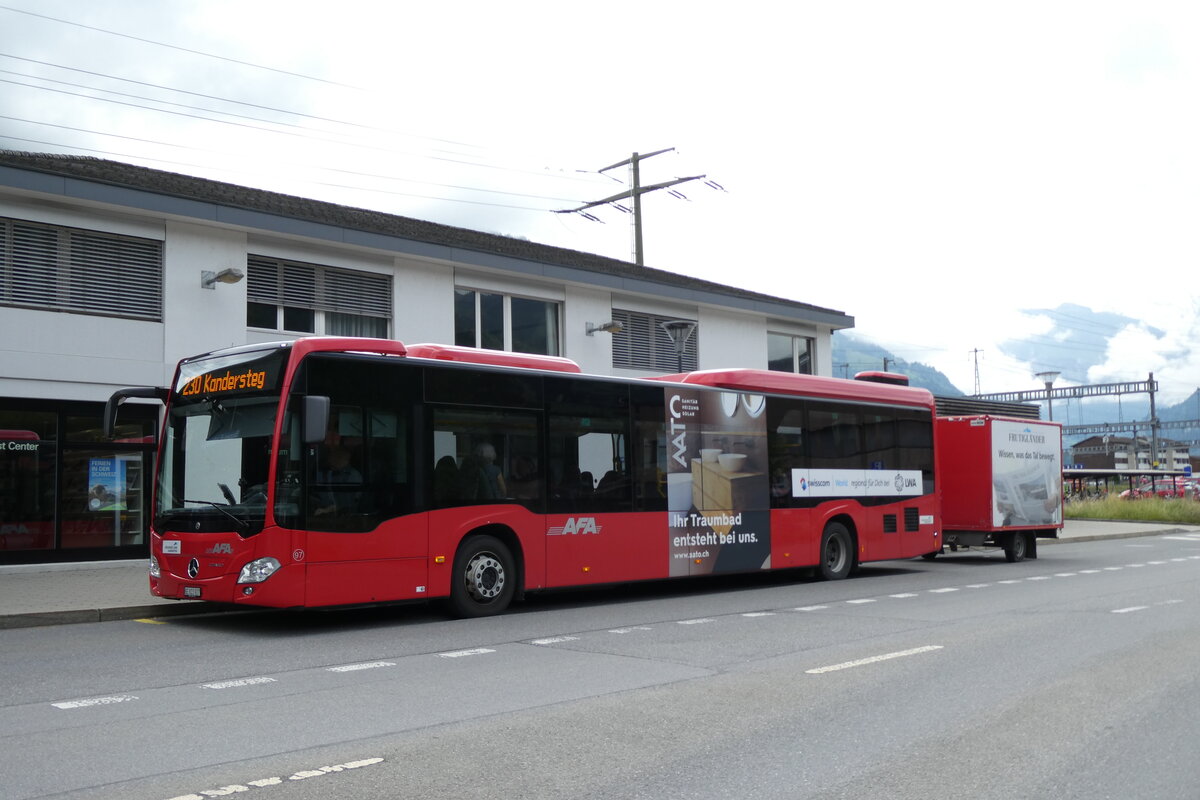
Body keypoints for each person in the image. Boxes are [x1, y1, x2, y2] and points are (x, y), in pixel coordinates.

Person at [314, 445, 362, 516]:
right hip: (322, 514)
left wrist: (326, 510)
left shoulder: (353, 475)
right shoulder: (324, 472)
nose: (329, 458)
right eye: (330, 455)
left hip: (344, 517)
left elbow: (347, 503)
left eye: (334, 455)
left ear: (344, 459)